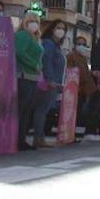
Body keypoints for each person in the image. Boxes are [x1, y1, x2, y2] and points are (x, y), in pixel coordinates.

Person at [34, 19, 68, 147]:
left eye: (63, 29)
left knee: (43, 110)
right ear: (52, 29)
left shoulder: (55, 45)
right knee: (41, 110)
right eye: (58, 28)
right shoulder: (49, 43)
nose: (61, 31)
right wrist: (50, 79)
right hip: (49, 83)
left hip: (54, 82)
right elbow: (46, 61)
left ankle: (39, 137)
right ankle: (38, 138)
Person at [14, 11, 44, 151]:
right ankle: (18, 139)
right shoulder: (23, 36)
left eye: (37, 21)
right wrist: (34, 64)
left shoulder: (35, 38)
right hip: (23, 76)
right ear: (24, 22)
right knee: (22, 109)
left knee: (27, 110)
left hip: (32, 77)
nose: (34, 24)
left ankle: (22, 138)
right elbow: (20, 52)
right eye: (30, 21)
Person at [71, 36, 100, 137]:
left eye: (84, 44)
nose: (82, 46)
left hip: (83, 90)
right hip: (76, 89)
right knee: (75, 111)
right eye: (79, 44)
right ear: (75, 45)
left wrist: (91, 73)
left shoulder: (83, 58)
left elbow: (84, 72)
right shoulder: (71, 57)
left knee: (79, 111)